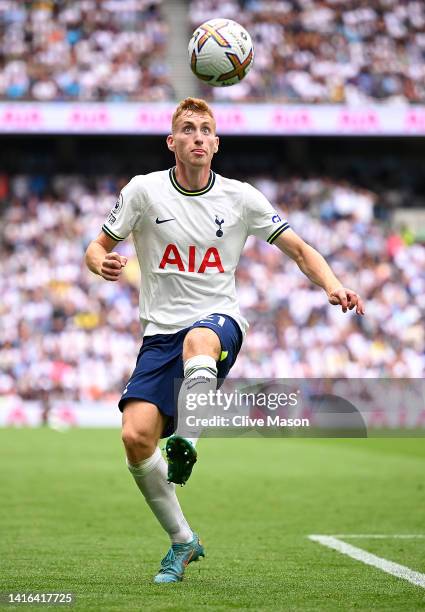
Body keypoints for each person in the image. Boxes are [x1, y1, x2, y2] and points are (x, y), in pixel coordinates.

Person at [85, 97, 365, 584]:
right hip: (158, 333)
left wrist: (332, 284)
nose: (197, 136)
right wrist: (100, 263)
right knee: (134, 438)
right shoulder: (144, 192)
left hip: (219, 322)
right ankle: (182, 541)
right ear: (172, 142)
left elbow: (298, 248)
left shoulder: (241, 197)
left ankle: (189, 439)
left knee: (199, 339)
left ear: (216, 143)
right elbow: (98, 245)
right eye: (187, 129)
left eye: (205, 129)